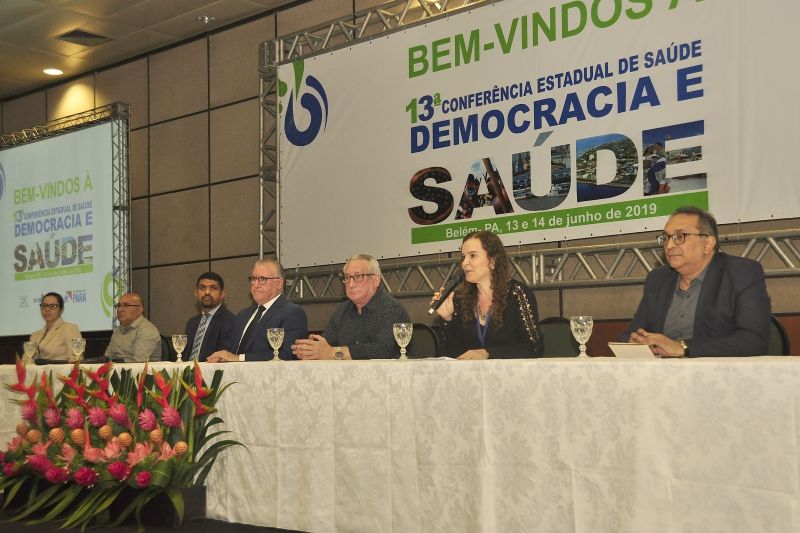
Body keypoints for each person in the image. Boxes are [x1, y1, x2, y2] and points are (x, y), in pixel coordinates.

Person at [622, 206, 771, 357]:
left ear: (707, 244)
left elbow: (753, 341)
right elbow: (630, 336)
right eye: (666, 238)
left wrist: (682, 348)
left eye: (679, 237)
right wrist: (636, 344)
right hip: (663, 374)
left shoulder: (741, 273)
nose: (669, 245)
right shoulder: (658, 279)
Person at [433, 231, 543, 359]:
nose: (464, 263)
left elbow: (534, 348)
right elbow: (452, 355)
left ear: (492, 261)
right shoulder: (460, 299)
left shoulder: (518, 293)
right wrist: (448, 320)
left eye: (472, 256)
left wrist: (489, 353)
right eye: (463, 257)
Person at [292, 254, 410, 360]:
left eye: (358, 276)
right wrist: (311, 350)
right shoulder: (341, 310)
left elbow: (383, 350)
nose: (351, 284)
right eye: (347, 277)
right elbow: (327, 346)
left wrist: (333, 353)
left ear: (376, 280)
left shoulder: (392, 309)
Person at [207, 259, 308, 362]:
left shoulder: (292, 313)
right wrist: (219, 357)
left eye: (262, 279)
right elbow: (228, 349)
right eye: (254, 279)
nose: (256, 284)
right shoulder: (243, 315)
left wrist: (240, 358)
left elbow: (286, 355)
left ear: (278, 283)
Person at [185, 272, 236, 361]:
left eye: (213, 288)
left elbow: (222, 357)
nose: (207, 292)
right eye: (202, 288)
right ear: (196, 293)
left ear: (222, 294)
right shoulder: (192, 323)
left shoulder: (230, 321)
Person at [105, 292, 162, 363]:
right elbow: (107, 358)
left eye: (126, 305)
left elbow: (138, 362)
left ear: (139, 310)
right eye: (119, 305)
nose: (120, 310)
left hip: (140, 373)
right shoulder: (119, 330)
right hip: (116, 371)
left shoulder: (147, 330)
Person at [29, 292, 82, 361]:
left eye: (52, 306)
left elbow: (74, 359)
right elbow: (26, 361)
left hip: (60, 371)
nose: (47, 309)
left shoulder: (69, 329)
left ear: (61, 310)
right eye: (44, 306)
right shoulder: (35, 335)